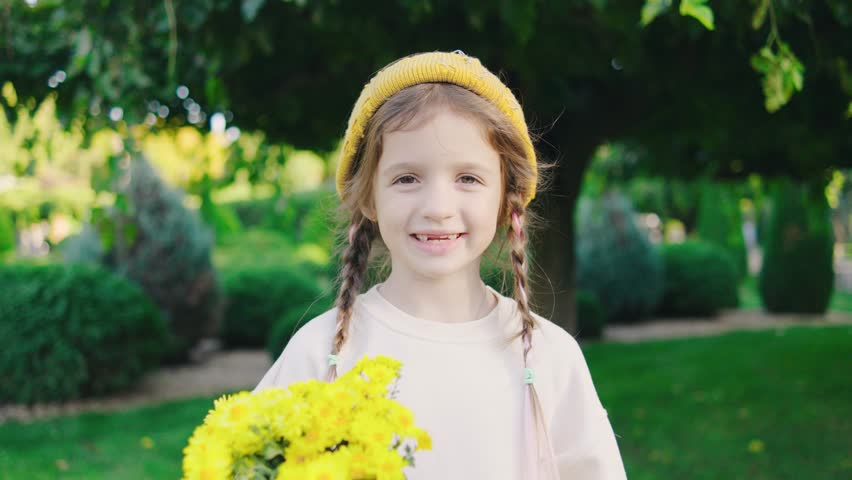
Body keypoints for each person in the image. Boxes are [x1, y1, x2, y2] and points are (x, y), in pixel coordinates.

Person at [254, 50, 627, 480]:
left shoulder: (550, 358)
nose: (437, 208)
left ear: (506, 198)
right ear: (369, 196)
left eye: (468, 178)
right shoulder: (319, 354)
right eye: (407, 178)